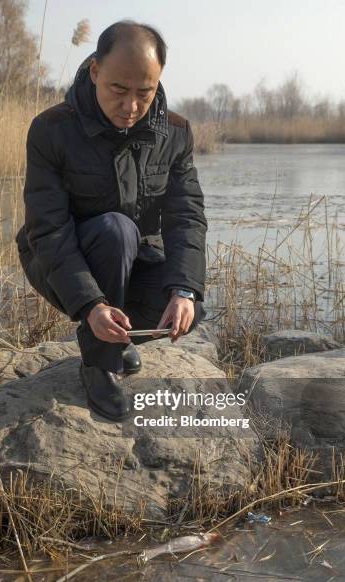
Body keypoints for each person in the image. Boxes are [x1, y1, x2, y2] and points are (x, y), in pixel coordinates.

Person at [15, 20, 207, 422]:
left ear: (158, 82)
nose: (132, 106)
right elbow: (48, 229)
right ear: (95, 72)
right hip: (57, 257)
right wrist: (90, 305)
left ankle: (117, 338)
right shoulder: (51, 131)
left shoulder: (175, 133)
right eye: (118, 91)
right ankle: (100, 363)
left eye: (144, 92)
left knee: (187, 307)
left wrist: (184, 290)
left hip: (131, 255)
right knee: (115, 230)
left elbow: (185, 216)